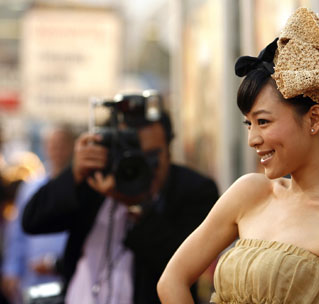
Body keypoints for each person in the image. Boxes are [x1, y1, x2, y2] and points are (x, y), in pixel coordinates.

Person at [157, 7, 319, 304]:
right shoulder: (250, 192)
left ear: (314, 119)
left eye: (263, 121)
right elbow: (171, 281)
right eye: (249, 124)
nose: (252, 139)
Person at [22, 91, 219, 304]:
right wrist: (75, 172)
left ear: (169, 150)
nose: (140, 165)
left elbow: (183, 267)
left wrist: (136, 205)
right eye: (130, 153)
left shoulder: (195, 190)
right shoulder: (94, 181)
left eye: (151, 156)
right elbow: (33, 220)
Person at [1, 125, 75, 304]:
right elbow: (16, 232)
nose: (56, 151)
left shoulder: (80, 188)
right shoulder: (32, 187)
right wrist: (11, 269)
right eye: (52, 145)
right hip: (32, 278)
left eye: (61, 145)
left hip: (66, 279)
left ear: (72, 148)